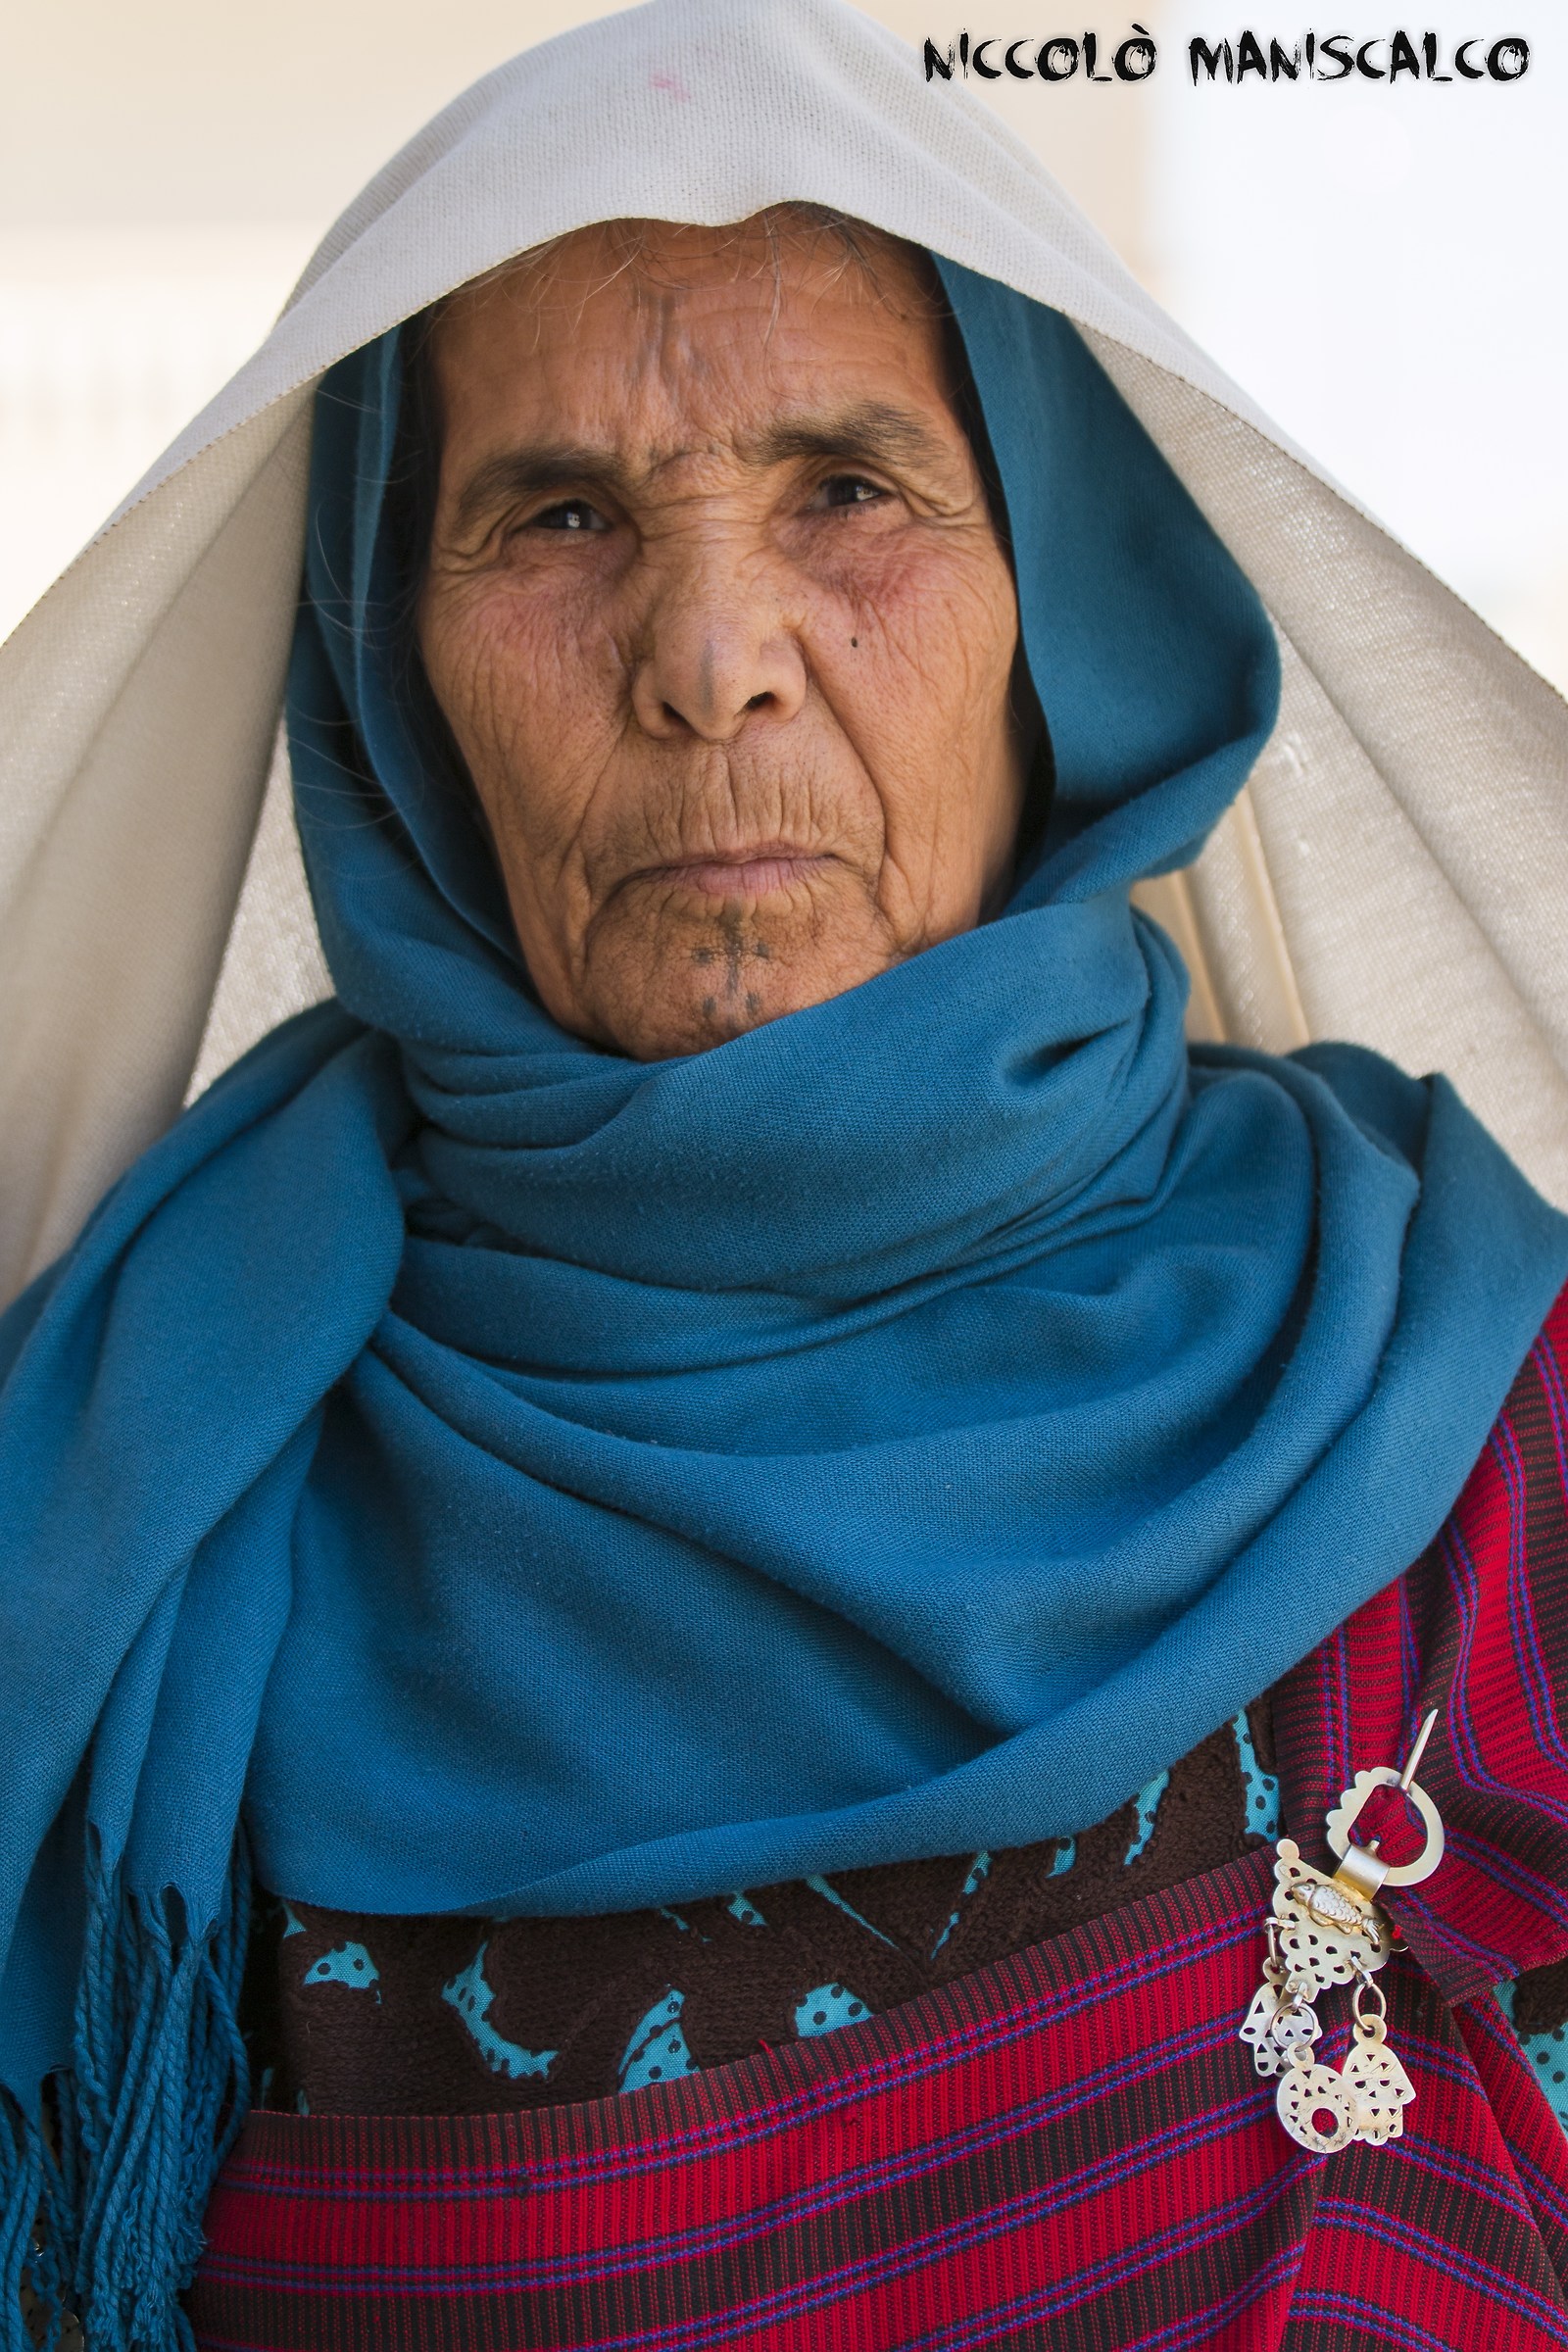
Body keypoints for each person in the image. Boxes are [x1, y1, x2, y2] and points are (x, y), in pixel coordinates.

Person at [4, 5, 1568, 2348]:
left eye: (847, 484)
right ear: (383, 671)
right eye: (554, 517)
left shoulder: (1467, 1396)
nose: (711, 658)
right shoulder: (133, 1495)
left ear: (1067, 601)